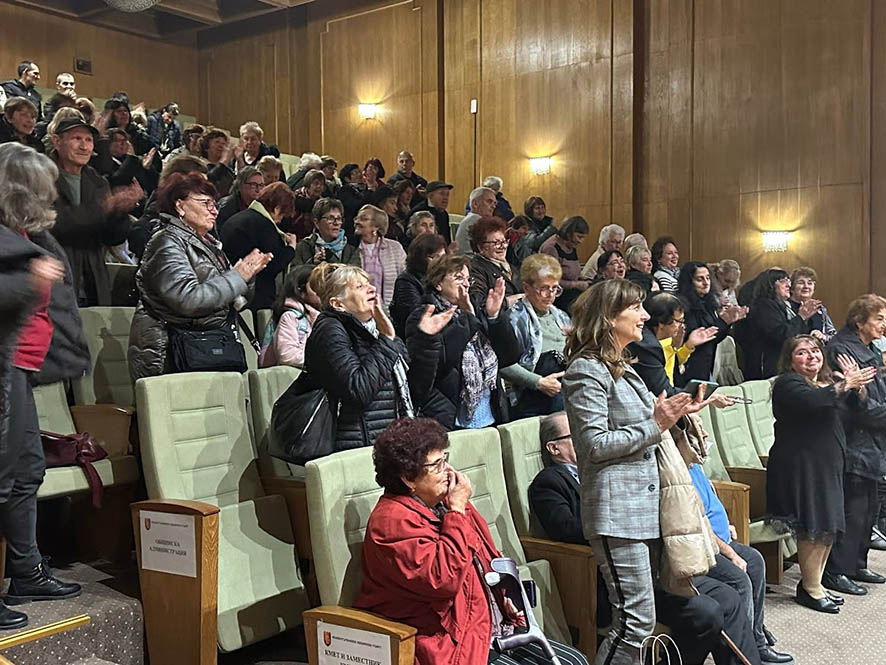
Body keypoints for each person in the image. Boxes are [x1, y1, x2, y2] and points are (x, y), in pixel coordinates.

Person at [528, 412, 767, 665]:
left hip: (656, 565)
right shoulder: (549, 482)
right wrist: (626, 518)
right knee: (705, 613)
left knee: (728, 597)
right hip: (613, 579)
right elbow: (565, 529)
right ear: (554, 448)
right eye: (575, 434)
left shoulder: (604, 471)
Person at [354, 418, 588, 665]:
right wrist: (456, 511)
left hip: (484, 622)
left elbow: (485, 557)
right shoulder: (391, 522)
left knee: (575, 661)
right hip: (442, 639)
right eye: (437, 465)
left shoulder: (445, 501)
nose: (448, 471)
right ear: (408, 478)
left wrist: (503, 598)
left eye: (445, 459)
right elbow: (443, 580)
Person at [562, 278, 706, 665]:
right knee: (634, 623)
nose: (644, 315)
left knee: (643, 620)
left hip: (644, 506)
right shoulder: (586, 370)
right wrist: (656, 423)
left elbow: (646, 426)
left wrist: (675, 415)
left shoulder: (622, 366)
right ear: (609, 317)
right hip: (617, 512)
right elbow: (594, 445)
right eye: (635, 308)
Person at [0, 143, 91, 630]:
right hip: (5, 367)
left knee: (27, 471)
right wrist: (31, 279)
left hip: (22, 369)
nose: (51, 195)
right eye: (43, 187)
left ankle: (26, 571)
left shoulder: (27, 234)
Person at [127, 173, 271, 380]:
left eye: (214, 204)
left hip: (205, 349)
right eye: (205, 203)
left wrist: (246, 278)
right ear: (180, 206)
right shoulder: (165, 243)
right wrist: (237, 277)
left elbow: (235, 302)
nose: (214, 210)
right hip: (169, 356)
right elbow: (188, 299)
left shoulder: (210, 244)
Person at [769, 335, 876, 612]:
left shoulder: (827, 382)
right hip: (802, 466)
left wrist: (858, 388)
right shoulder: (788, 384)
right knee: (813, 527)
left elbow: (857, 409)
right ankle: (810, 587)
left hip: (828, 464)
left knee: (828, 526)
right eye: (802, 352)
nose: (811, 356)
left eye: (815, 350)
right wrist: (845, 383)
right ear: (790, 360)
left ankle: (815, 582)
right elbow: (815, 401)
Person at [301, 266, 447, 450]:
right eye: (360, 287)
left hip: (391, 440)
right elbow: (358, 390)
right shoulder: (330, 329)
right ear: (338, 304)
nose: (371, 289)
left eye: (369, 283)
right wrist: (386, 340)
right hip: (355, 447)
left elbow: (416, 391)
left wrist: (427, 340)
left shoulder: (378, 327)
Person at [405, 255, 519, 429]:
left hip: (490, 416)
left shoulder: (476, 310)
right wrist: (467, 318)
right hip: (451, 419)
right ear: (438, 284)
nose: (466, 284)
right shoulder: (423, 317)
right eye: (459, 278)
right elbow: (439, 364)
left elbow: (510, 356)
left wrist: (495, 317)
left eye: (468, 279)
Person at [822, 295, 886, 596]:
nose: (884, 325)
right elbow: (857, 405)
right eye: (879, 319)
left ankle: (858, 564)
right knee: (853, 508)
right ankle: (837, 571)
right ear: (860, 321)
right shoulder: (842, 349)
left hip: (873, 438)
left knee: (870, 506)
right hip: (853, 439)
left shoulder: (869, 348)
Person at [50, 116, 142, 306]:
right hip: (54, 278)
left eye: (89, 140)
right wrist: (106, 207)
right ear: (57, 141)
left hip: (91, 281)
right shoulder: (41, 176)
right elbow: (52, 223)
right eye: (77, 138)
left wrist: (119, 211)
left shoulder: (98, 181)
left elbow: (111, 238)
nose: (84, 147)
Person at [500, 254, 571, 418]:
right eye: (544, 289)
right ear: (526, 288)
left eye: (555, 289)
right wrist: (538, 382)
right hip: (533, 396)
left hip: (565, 388)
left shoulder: (561, 316)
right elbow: (504, 365)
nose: (550, 295)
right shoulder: (514, 319)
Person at [220, 182, 298, 310]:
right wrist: (291, 248)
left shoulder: (239, 217)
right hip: (255, 297)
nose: (280, 220)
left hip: (231, 287)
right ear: (277, 209)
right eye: (282, 215)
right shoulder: (264, 226)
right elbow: (273, 265)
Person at [628, 292, 719, 398]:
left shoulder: (664, 339)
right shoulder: (648, 346)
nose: (682, 325)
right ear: (662, 323)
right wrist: (704, 396)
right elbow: (663, 391)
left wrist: (686, 345)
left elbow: (674, 367)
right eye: (679, 321)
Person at [677, 261, 748, 383]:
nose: (706, 283)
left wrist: (727, 322)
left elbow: (714, 338)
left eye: (708, 278)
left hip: (706, 365)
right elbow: (699, 337)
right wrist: (723, 321)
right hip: (689, 367)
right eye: (700, 279)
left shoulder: (708, 303)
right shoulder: (683, 306)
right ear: (689, 282)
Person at [745, 269, 816, 379]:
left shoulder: (782, 305)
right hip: (769, 365)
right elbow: (781, 334)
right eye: (783, 281)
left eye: (788, 281)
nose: (788, 285)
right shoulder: (765, 305)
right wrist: (801, 317)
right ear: (770, 285)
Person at [259, 264, 321, 369]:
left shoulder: (319, 316)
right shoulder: (291, 317)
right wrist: (322, 360)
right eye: (316, 285)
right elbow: (287, 355)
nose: (322, 290)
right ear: (300, 290)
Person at [390, 233, 447, 338]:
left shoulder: (444, 277)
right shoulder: (406, 281)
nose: (441, 262)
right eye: (435, 257)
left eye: (443, 257)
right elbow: (414, 318)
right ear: (420, 258)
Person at [354, 204, 407, 307]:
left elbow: (404, 279)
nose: (357, 222)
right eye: (357, 218)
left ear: (376, 226)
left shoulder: (394, 247)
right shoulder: (351, 248)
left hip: (389, 309)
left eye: (364, 219)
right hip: (359, 309)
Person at [539, 216, 590, 312]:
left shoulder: (571, 246)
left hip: (571, 294)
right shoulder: (551, 248)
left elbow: (573, 271)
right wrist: (575, 284)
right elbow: (550, 279)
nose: (580, 241)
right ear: (569, 233)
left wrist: (582, 279)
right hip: (558, 297)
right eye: (579, 237)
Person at [469, 216, 521, 307]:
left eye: (504, 241)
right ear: (481, 247)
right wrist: (508, 301)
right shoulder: (475, 269)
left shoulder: (512, 268)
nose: (503, 247)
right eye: (496, 243)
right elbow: (478, 302)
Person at [292, 197, 361, 267]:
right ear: (316, 223)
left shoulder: (352, 250)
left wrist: (330, 258)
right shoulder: (302, 248)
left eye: (339, 218)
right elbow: (295, 272)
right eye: (331, 218)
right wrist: (312, 264)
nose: (336, 223)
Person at [789, 267, 837, 342]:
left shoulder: (819, 308)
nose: (806, 286)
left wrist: (823, 336)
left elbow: (833, 335)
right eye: (801, 283)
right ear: (792, 288)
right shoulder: (785, 307)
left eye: (810, 283)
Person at [215, 166, 265, 231]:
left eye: (261, 185)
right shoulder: (227, 206)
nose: (258, 190)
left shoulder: (262, 205)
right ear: (241, 184)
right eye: (253, 184)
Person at [287, 169, 329, 238]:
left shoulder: (323, 202)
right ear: (308, 184)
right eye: (316, 183)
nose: (319, 186)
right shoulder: (295, 198)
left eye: (322, 184)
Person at [454, 186, 497, 254]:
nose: (493, 206)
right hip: (471, 259)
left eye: (495, 203)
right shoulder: (476, 220)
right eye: (489, 201)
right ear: (475, 204)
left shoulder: (471, 219)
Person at [519, 196, 557, 260]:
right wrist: (551, 228)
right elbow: (534, 243)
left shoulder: (548, 221)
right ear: (530, 210)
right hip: (532, 259)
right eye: (537, 208)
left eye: (542, 207)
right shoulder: (525, 223)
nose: (541, 211)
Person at [335, 162, 367, 237]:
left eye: (360, 172)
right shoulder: (344, 191)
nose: (359, 175)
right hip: (350, 228)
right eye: (355, 173)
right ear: (347, 179)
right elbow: (356, 205)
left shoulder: (365, 188)